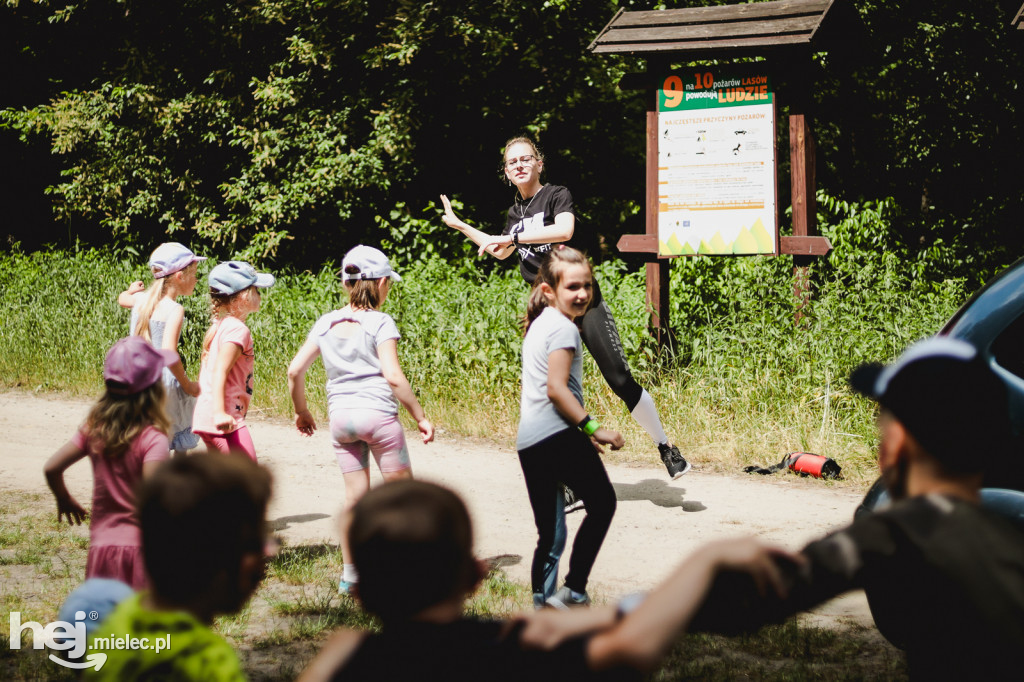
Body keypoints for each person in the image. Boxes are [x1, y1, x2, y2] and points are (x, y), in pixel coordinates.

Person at [686, 337, 1024, 679]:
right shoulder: (1009, 534)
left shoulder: (905, 529)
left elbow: (762, 597)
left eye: (883, 423)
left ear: (894, 446)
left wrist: (706, 560)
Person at [296, 479, 798, 682]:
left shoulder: (343, 657)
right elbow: (632, 648)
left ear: (359, 593)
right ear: (474, 575)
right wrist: (705, 562)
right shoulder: (508, 649)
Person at [440, 136, 690, 481]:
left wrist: (512, 238)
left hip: (581, 299)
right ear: (506, 172)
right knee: (555, 389)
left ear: (539, 163)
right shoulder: (515, 214)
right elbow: (499, 250)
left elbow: (565, 229)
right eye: (512, 162)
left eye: (526, 159)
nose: (520, 165)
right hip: (548, 309)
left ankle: (666, 446)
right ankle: (571, 475)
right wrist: (461, 225)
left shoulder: (556, 195)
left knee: (619, 378)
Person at [287, 244, 434, 594]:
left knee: (355, 499)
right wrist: (420, 416)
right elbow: (394, 376)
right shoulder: (380, 321)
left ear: (345, 284)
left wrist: (302, 410)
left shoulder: (326, 322)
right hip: (378, 418)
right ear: (381, 282)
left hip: (342, 422)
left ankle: (351, 575)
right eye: (389, 284)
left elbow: (294, 370)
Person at [83, 453, 272, 681]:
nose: (264, 561)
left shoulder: (117, 622)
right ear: (225, 563)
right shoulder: (207, 663)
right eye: (258, 545)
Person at [518, 246, 623, 609]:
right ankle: (574, 589)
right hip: (556, 435)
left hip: (530, 442)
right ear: (549, 291)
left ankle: (542, 605)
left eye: (588, 286)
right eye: (573, 287)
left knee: (550, 533)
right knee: (603, 503)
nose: (582, 294)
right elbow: (556, 389)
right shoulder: (563, 329)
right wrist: (592, 428)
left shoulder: (540, 324)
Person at [43, 336, 177, 589]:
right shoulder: (153, 439)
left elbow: (52, 468)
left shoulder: (94, 428)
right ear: (154, 389)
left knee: (103, 620)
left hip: (101, 547)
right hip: (142, 550)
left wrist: (63, 498)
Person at [118, 241, 206, 457]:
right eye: (194, 273)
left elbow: (122, 299)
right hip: (163, 384)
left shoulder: (141, 299)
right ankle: (173, 485)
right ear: (179, 277)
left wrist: (129, 290)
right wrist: (188, 384)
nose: (196, 279)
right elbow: (169, 353)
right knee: (175, 436)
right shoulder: (175, 309)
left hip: (137, 379)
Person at [192, 260, 275, 462]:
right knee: (247, 482)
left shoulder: (223, 325)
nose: (260, 295)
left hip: (208, 417)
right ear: (244, 296)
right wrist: (220, 413)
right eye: (256, 290)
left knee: (224, 485)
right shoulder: (238, 329)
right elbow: (220, 371)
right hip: (224, 418)